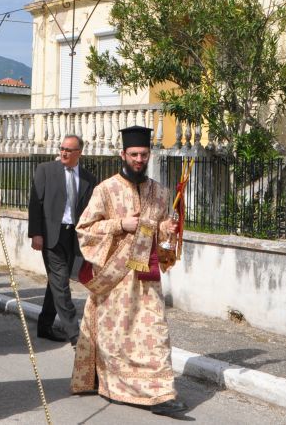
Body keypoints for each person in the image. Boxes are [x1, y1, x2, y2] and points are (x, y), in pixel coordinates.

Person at [70, 126, 188, 418]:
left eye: (144, 154)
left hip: (147, 282)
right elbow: (84, 229)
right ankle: (116, 386)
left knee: (154, 334)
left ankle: (161, 393)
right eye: (134, 154)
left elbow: (160, 240)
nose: (138, 159)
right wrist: (120, 224)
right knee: (117, 338)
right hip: (116, 281)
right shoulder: (106, 190)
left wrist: (167, 231)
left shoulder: (159, 193)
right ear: (123, 154)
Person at [28, 134, 95, 346]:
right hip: (51, 235)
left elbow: (91, 211)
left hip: (73, 237)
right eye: (62, 148)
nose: (64, 152)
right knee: (61, 284)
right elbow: (35, 204)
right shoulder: (46, 170)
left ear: (79, 153)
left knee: (58, 282)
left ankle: (45, 325)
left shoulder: (88, 179)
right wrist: (36, 233)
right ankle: (77, 336)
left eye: (69, 150)